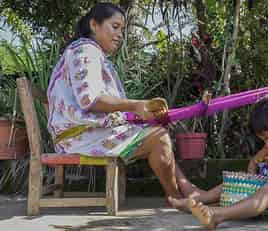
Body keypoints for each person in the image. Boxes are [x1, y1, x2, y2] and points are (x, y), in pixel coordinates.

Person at [47, 2, 193, 200]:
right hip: (79, 137)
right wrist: (135, 105)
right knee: (159, 138)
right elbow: (91, 100)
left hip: (84, 133)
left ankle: (188, 191)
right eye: (115, 27)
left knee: (157, 132)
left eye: (122, 30)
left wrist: (143, 115)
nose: (120, 35)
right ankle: (178, 198)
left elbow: (101, 104)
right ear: (94, 25)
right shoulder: (86, 51)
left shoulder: (90, 54)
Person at [168, 92, 268, 229]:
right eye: (264, 140)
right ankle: (197, 201)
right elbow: (253, 162)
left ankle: (217, 215)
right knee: (238, 182)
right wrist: (251, 180)